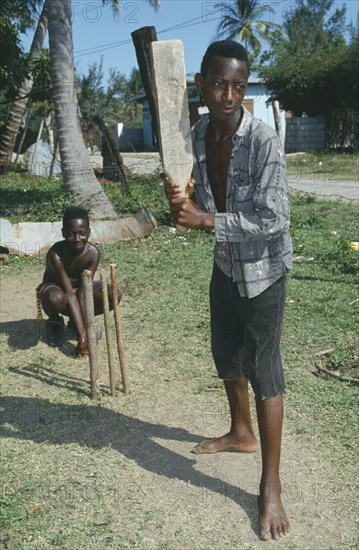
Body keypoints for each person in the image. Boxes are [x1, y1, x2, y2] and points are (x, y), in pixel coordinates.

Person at [163, 40, 292, 541]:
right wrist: (182, 197)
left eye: (238, 86)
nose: (229, 95)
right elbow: (192, 194)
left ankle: (272, 486)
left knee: (266, 371)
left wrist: (204, 218)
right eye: (219, 83)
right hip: (226, 267)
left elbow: (274, 217)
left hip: (263, 274)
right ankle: (242, 433)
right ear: (201, 84)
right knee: (226, 355)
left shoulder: (262, 141)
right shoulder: (195, 133)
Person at [36, 206, 121, 356]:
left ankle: (77, 324)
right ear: (63, 233)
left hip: (79, 291)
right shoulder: (55, 254)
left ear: (88, 232)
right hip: (60, 292)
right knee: (54, 297)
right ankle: (55, 323)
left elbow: (83, 292)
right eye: (71, 234)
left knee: (112, 294)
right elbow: (69, 292)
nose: (77, 239)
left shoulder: (92, 253)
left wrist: (87, 330)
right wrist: (83, 336)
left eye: (82, 234)